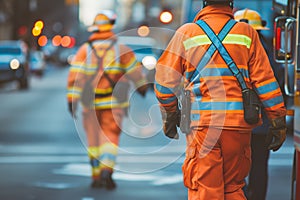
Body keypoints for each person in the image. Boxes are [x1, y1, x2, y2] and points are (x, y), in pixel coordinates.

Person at [154, 0, 287, 199]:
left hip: (203, 127)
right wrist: (277, 121)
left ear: (204, 3)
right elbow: (266, 82)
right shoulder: (246, 33)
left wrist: (171, 114)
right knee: (233, 188)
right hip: (239, 127)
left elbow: (165, 85)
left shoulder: (187, 33)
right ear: (231, 3)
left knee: (205, 188)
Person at [66, 10, 148, 189]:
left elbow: (75, 78)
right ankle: (107, 170)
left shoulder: (84, 50)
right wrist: (142, 88)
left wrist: (71, 99)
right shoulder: (121, 49)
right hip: (115, 103)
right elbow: (136, 73)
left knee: (93, 140)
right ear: (112, 25)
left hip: (90, 103)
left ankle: (96, 177)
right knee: (110, 137)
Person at [234, 8, 285, 200]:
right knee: (259, 166)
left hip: (235, 123)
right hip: (261, 124)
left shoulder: (229, 50)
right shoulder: (269, 53)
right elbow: (275, 86)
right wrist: (277, 121)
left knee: (234, 168)